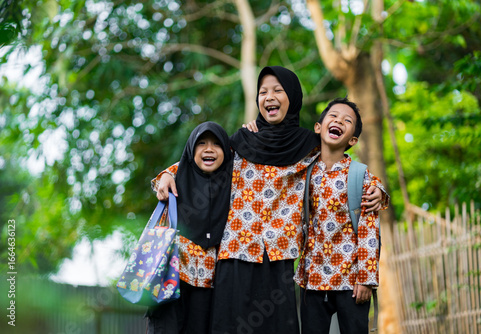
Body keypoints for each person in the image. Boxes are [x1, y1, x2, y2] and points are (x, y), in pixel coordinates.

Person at [156, 66, 387, 334]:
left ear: (292, 98)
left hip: (278, 256)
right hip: (235, 252)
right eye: (263, 91)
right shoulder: (243, 141)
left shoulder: (308, 146)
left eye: (278, 90)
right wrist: (166, 175)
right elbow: (206, 160)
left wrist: (378, 190)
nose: (269, 96)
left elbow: (341, 165)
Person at [294, 97, 388, 334]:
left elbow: (368, 230)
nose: (338, 121)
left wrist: (366, 278)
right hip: (312, 281)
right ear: (319, 126)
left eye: (347, 121)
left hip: (351, 282)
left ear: (352, 139)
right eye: (333, 116)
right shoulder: (303, 171)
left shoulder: (360, 175)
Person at [146, 121, 233, 334]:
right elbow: (161, 183)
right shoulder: (178, 174)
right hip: (171, 275)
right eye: (201, 143)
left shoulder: (234, 182)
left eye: (216, 144)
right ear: (191, 150)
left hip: (208, 282)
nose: (209, 149)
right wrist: (165, 176)